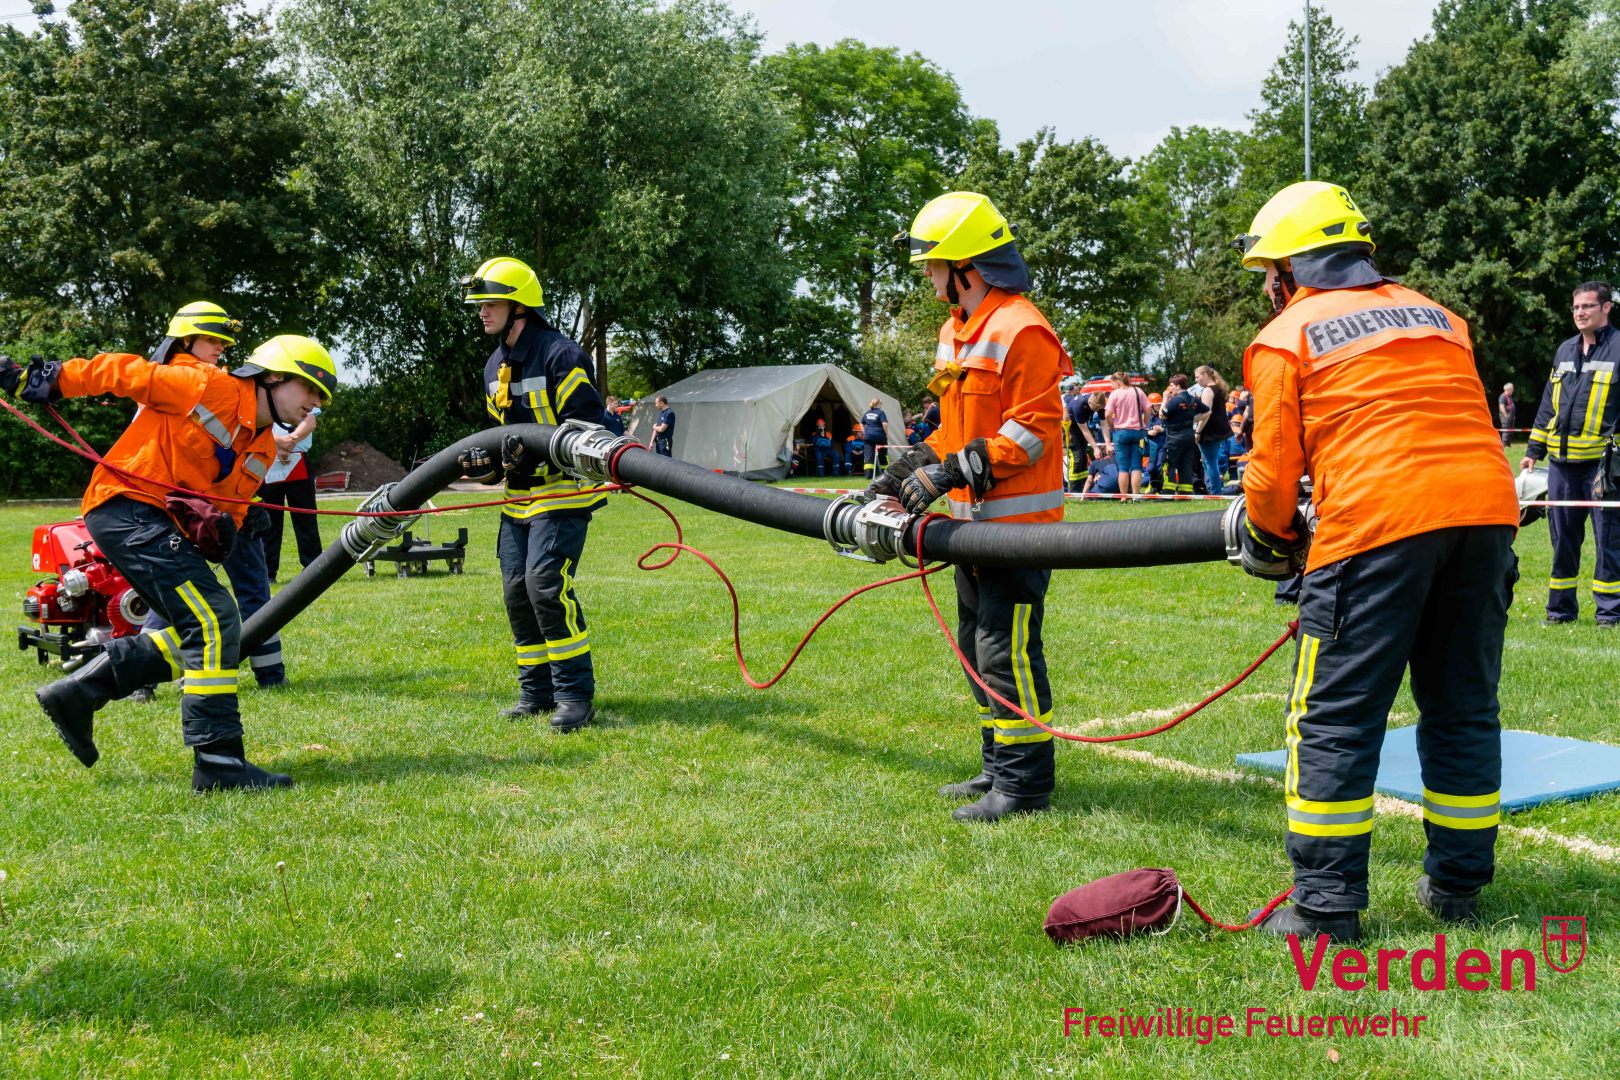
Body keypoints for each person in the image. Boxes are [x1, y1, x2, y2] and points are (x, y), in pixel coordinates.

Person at [1231, 180, 1519, 942]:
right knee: (1462, 710)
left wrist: (1268, 539)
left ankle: (1324, 909)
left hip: (1377, 528)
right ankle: (1457, 889)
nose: (1268, 287)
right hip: (1487, 519)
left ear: (1292, 267)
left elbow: (1268, 476)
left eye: (1269, 271)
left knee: (1332, 722)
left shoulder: (1287, 335)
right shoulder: (1441, 318)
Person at [2, 334, 337, 790]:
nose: (315, 405)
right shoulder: (208, 384)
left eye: (321, 399)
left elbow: (228, 509)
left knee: (214, 629)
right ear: (275, 376)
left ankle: (79, 692)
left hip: (156, 524)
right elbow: (125, 372)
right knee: (216, 619)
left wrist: (230, 527)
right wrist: (46, 380)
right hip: (125, 507)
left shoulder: (261, 450)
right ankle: (218, 763)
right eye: (311, 390)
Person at [872, 190, 1071, 823]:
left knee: (1004, 650)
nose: (928, 276)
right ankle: (996, 765)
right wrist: (908, 469)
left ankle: (1024, 785)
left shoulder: (1022, 327)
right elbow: (953, 428)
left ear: (967, 266)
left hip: (1017, 529)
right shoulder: (955, 332)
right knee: (973, 642)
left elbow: (1036, 428)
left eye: (934, 264)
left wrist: (956, 470)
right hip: (970, 527)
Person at [457, 256, 606, 732]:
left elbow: (589, 434)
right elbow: (502, 442)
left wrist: (538, 456)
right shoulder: (492, 366)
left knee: (545, 586)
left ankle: (574, 696)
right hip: (517, 501)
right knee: (517, 593)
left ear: (519, 306)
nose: (481, 312)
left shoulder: (562, 356)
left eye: (490, 302)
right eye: (479, 304)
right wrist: (485, 467)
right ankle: (536, 692)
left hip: (562, 496)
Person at [1521, 283, 1620, 626]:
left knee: (1608, 542)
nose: (1580, 312)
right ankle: (1560, 612)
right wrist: (1533, 450)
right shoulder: (1564, 350)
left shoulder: (1619, 348)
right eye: (1576, 307)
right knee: (1562, 541)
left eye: (1588, 306)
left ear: (1606, 308)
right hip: (1561, 466)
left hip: (1603, 467)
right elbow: (1549, 402)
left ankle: (1609, 614)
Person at [257, 408, 323, 581]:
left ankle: (313, 570)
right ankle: (267, 573)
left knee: (306, 516)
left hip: (298, 459)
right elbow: (256, 428)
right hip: (268, 460)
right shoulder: (264, 393)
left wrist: (290, 441)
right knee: (269, 519)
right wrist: (278, 445)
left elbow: (310, 422)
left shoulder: (304, 391)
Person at [1159, 373, 1206, 495]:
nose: (1170, 389)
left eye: (1171, 386)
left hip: (1175, 437)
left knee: (1169, 462)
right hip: (1189, 436)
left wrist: (1164, 399)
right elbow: (1208, 411)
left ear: (1178, 385)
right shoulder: (1193, 399)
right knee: (1185, 463)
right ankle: (1185, 491)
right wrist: (1193, 420)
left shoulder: (1174, 401)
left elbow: (1162, 415)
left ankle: (1168, 490)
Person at [1103, 372, 1149, 496]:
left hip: (1121, 432)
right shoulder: (1138, 391)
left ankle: (1123, 497)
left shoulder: (1115, 394)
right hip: (1137, 432)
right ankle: (1135, 495)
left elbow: (1107, 414)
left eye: (1112, 384)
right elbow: (1148, 408)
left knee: (1123, 468)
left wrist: (1112, 425)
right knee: (1136, 466)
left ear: (1117, 382)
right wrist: (1144, 423)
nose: (1111, 387)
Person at [1193, 364, 1232, 496]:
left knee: (1210, 463)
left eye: (1197, 377)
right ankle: (1214, 489)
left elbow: (1206, 413)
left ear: (1205, 376)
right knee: (1209, 462)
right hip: (1218, 431)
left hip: (1210, 432)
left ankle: (1215, 492)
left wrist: (1197, 431)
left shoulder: (1208, 391)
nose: (1196, 380)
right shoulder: (1216, 389)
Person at [859, 398, 888, 478]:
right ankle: (884, 474)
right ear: (878, 404)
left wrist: (864, 432)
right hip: (879, 436)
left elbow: (861, 423)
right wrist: (886, 434)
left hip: (868, 437)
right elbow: (884, 424)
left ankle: (868, 475)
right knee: (883, 454)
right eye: (881, 404)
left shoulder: (867, 413)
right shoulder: (881, 412)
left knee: (868, 455)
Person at [1497, 383, 1515, 447]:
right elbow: (1501, 406)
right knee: (1506, 429)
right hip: (1505, 416)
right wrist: (1505, 415)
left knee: (1511, 429)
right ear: (1508, 389)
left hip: (1511, 416)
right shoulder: (1502, 396)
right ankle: (1504, 443)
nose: (1513, 391)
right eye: (1512, 389)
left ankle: (1508, 443)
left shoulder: (1509, 397)